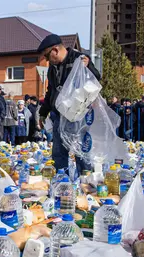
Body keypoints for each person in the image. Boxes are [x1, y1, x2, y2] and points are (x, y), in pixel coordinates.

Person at [37, 33, 100, 171]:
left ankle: (85, 180)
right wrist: (43, 112)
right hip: (60, 116)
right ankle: (62, 180)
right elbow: (51, 91)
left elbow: (96, 78)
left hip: (79, 116)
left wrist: (88, 66)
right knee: (59, 152)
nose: (47, 60)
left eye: (47, 56)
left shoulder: (78, 59)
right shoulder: (52, 69)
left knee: (81, 152)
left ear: (55, 50)